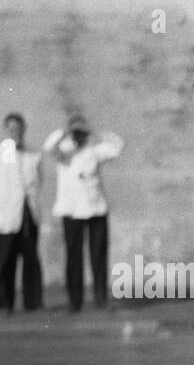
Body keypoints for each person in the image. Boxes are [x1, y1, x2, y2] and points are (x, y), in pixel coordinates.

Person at [44, 113, 123, 311]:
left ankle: (100, 298)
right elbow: (48, 147)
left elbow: (118, 146)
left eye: (81, 132)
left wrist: (95, 131)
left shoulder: (95, 150)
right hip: (71, 211)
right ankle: (75, 301)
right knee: (73, 257)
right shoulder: (63, 150)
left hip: (96, 209)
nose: (78, 136)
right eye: (75, 132)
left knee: (98, 255)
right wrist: (65, 130)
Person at [0, 112, 44, 314]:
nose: (15, 131)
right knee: (5, 259)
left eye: (18, 128)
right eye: (11, 128)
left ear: (23, 129)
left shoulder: (33, 155)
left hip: (29, 214)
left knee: (31, 259)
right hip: (7, 215)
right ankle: (5, 303)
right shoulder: (3, 154)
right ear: (6, 130)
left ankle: (33, 302)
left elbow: (37, 181)